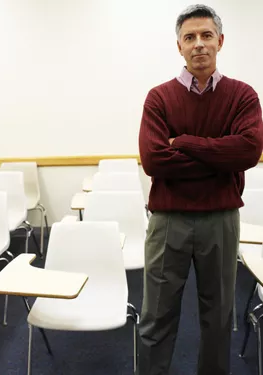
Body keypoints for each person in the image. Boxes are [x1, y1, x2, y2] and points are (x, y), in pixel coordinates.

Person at [138, 4, 263, 375]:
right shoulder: (159, 98)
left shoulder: (242, 96)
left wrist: (187, 142)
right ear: (179, 46)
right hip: (168, 221)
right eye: (189, 37)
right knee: (156, 318)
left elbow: (247, 151)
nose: (199, 45)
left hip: (220, 220)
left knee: (218, 318)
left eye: (206, 36)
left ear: (220, 42)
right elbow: (155, 161)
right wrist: (219, 158)